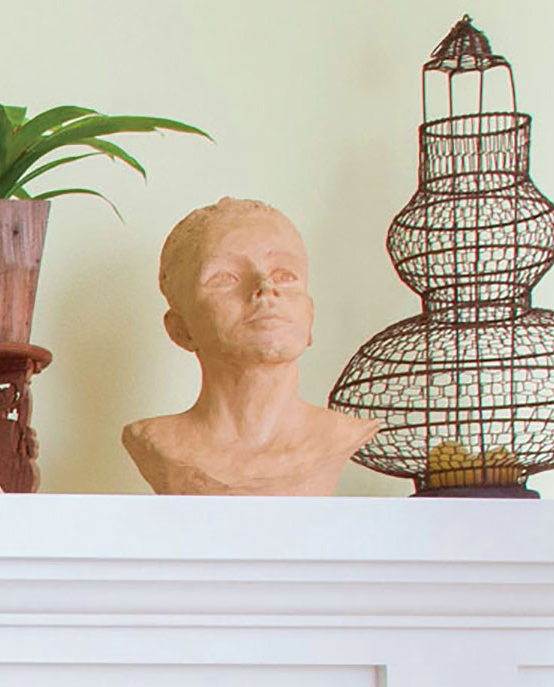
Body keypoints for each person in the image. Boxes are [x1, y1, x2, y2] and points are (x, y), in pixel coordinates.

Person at [122, 199, 376, 495]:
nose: (266, 287)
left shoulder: (339, 435)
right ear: (180, 329)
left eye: (285, 274)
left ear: (310, 314)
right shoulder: (159, 442)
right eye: (226, 277)